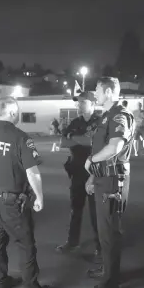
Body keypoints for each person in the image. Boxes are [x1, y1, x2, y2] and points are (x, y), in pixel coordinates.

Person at [0, 97, 55, 288]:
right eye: (16, 111)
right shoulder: (20, 137)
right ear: (12, 113)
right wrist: (39, 197)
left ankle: (0, 284)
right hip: (11, 201)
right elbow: (32, 172)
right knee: (25, 243)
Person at [84, 77, 135, 288]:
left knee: (109, 233)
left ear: (107, 91)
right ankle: (108, 271)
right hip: (104, 178)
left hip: (113, 181)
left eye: (96, 90)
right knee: (105, 231)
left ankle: (110, 284)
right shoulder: (107, 116)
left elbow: (115, 147)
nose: (94, 94)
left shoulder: (118, 115)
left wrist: (90, 161)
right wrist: (92, 178)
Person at [56, 92, 101, 260]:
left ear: (93, 103)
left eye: (83, 102)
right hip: (76, 171)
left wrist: (73, 138)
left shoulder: (100, 122)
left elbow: (94, 142)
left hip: (95, 171)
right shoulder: (75, 122)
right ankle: (72, 242)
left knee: (96, 212)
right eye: (78, 102)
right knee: (76, 208)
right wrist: (81, 138)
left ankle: (101, 246)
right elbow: (63, 142)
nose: (79, 105)